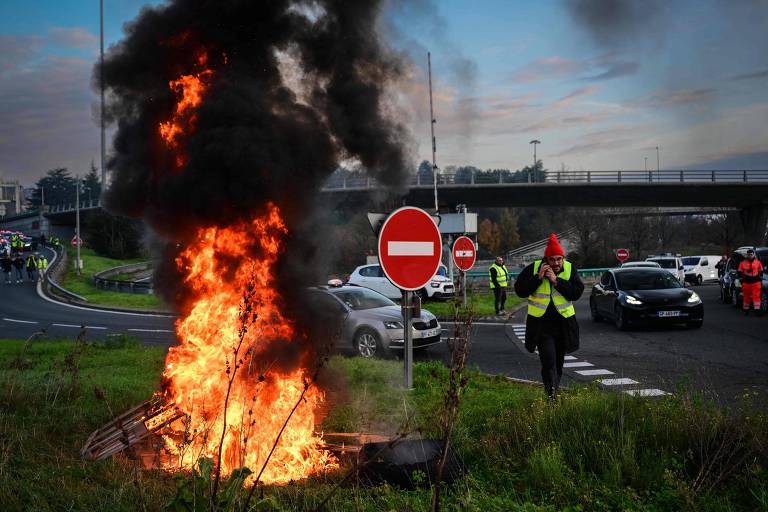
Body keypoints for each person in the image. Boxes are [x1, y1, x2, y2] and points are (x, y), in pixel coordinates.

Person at [514, 233, 584, 399]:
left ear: (563, 258)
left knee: (558, 364)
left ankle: (553, 391)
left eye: (559, 259)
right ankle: (550, 394)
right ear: (546, 259)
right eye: (552, 260)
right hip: (542, 327)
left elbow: (576, 293)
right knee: (549, 362)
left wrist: (556, 281)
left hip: (563, 326)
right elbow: (520, 290)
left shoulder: (569, 268)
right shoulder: (533, 268)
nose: (556, 263)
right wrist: (537, 279)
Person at [738, 248, 763, 316]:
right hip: (746, 282)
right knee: (746, 297)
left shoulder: (758, 262)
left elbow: (761, 271)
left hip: (756, 282)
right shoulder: (742, 263)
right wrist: (741, 280)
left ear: (753, 255)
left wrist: (760, 278)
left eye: (751, 254)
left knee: (756, 296)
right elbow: (739, 272)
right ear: (747, 255)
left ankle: (757, 310)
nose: (750, 256)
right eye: (748, 254)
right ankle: (746, 309)